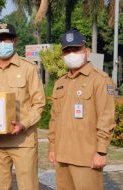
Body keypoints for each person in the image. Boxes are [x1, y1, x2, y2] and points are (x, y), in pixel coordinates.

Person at [0, 22, 46, 190]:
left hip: (23, 142)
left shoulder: (28, 68)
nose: (2, 44)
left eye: (6, 39)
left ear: (14, 41)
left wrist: (24, 124)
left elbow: (39, 103)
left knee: (28, 186)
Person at [48, 29, 115, 190]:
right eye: (67, 50)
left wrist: (101, 152)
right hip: (62, 155)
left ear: (86, 51)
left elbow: (106, 118)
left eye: (76, 49)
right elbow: (54, 118)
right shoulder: (60, 83)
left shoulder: (100, 80)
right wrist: (52, 147)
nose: (71, 53)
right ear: (63, 55)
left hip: (87, 158)